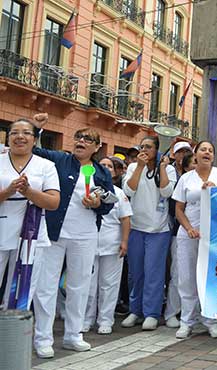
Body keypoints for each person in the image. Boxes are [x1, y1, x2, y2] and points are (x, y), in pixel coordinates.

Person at [30, 115, 114, 358]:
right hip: (54, 232)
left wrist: (97, 202)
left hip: (85, 234)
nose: (81, 141)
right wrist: (37, 126)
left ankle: (73, 335)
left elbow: (108, 202)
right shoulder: (60, 159)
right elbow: (36, 150)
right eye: (78, 137)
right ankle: (43, 338)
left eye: (88, 139)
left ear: (97, 147)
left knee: (79, 286)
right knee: (46, 286)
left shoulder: (100, 172)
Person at [173, 141, 217, 339]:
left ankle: (212, 321)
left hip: (214, 236)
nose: (207, 152)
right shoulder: (186, 178)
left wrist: (216, 191)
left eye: (210, 150)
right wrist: (189, 228)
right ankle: (186, 322)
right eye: (203, 149)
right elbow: (179, 209)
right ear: (195, 155)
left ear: (213, 156)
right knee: (187, 278)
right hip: (188, 234)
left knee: (212, 278)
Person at [0, 119, 60, 312]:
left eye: (26, 133)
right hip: (2, 228)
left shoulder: (46, 166)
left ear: (34, 139)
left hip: (31, 235)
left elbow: (53, 202)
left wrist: (28, 191)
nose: (20, 137)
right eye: (14, 133)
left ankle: (15, 337)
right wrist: (9, 191)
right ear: (8, 138)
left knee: (23, 288)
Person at [121, 136, 177, 331]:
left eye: (148, 147)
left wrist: (162, 167)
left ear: (157, 150)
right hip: (136, 227)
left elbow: (166, 192)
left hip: (159, 229)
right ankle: (135, 310)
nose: (144, 150)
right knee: (136, 273)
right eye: (141, 146)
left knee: (154, 273)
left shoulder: (168, 169)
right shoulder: (132, 167)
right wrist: (138, 167)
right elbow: (128, 190)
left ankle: (151, 313)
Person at [83, 157, 132, 335]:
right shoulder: (86, 189)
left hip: (112, 244)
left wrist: (124, 242)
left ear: (114, 172)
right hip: (87, 243)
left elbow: (126, 219)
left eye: (109, 166)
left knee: (109, 285)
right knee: (88, 285)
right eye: (102, 165)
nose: (105, 168)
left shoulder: (118, 193)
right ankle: (86, 319)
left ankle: (105, 319)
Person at [163, 142, 192, 330]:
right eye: (180, 152)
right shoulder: (178, 179)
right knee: (178, 273)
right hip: (179, 232)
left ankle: (192, 313)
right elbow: (176, 209)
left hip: (203, 234)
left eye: (187, 152)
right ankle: (172, 312)